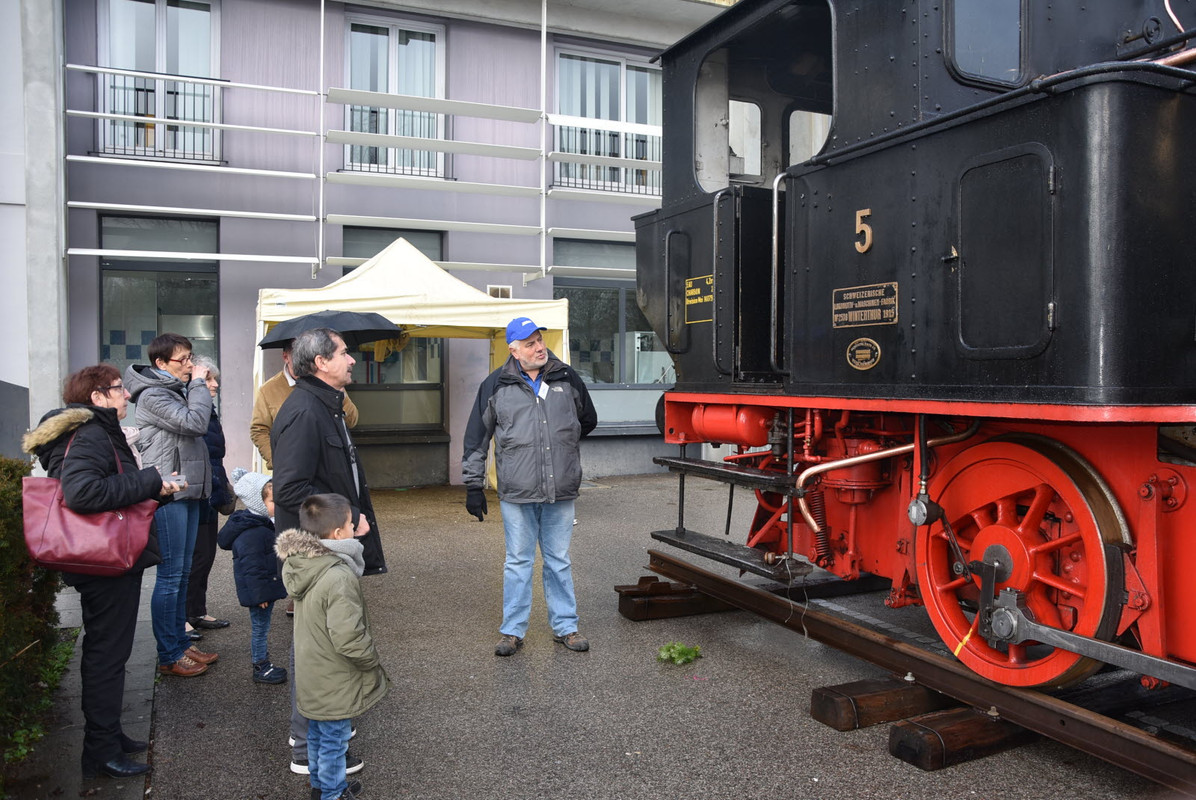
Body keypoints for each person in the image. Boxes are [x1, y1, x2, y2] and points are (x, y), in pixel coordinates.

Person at [22, 365, 183, 778]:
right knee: (106, 658)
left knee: (109, 654)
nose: (126, 395)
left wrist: (154, 490)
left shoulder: (95, 432)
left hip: (106, 563)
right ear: (96, 397)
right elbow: (83, 493)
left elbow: (114, 496)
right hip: (104, 568)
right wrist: (150, 480)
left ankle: (108, 736)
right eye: (118, 390)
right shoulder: (91, 434)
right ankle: (99, 752)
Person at [462, 317, 597, 657]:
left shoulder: (567, 378)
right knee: (518, 562)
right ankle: (512, 631)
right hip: (517, 492)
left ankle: (566, 626)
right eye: (530, 343)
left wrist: (561, 444)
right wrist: (473, 485)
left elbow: (588, 420)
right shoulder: (495, 384)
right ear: (514, 350)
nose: (539, 347)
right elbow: (476, 438)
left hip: (560, 489)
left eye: (540, 340)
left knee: (558, 560)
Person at [276, 493, 389, 800]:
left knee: (317, 734)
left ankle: (321, 786)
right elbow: (348, 636)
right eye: (352, 525)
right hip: (334, 676)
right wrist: (370, 660)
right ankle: (333, 792)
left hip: (313, 671)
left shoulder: (305, 564)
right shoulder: (338, 575)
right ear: (339, 534)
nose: (355, 529)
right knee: (334, 739)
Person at [124, 333, 220, 677]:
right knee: (171, 576)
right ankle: (168, 654)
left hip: (188, 489)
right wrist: (198, 384)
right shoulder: (152, 396)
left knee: (181, 574)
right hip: (169, 493)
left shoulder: (174, 391)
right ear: (160, 363)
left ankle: (180, 644)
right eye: (184, 360)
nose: (191, 365)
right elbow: (195, 423)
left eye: (191, 358)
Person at [271, 328, 385, 575]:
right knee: (323, 613)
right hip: (316, 554)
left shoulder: (327, 405)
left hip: (328, 549)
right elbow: (289, 490)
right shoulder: (306, 413)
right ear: (321, 362)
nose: (352, 360)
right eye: (344, 353)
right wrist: (349, 516)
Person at [218, 468, 288, 684]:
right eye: (272, 502)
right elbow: (252, 569)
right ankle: (261, 665)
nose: (277, 506)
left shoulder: (262, 525)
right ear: (259, 504)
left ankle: (262, 662)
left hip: (265, 588)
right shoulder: (252, 534)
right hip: (260, 594)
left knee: (262, 627)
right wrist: (260, 596)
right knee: (260, 628)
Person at [250, 339, 359, 470]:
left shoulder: (328, 383)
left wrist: (340, 393)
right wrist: (277, 460)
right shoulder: (268, 390)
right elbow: (259, 430)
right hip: (292, 468)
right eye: (298, 354)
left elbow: (351, 421)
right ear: (286, 357)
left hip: (331, 466)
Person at [187, 355, 233, 636]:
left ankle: (197, 611)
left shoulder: (208, 411)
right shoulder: (192, 409)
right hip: (195, 492)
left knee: (205, 555)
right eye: (208, 379)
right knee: (192, 558)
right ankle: (185, 617)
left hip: (211, 488)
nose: (215, 385)